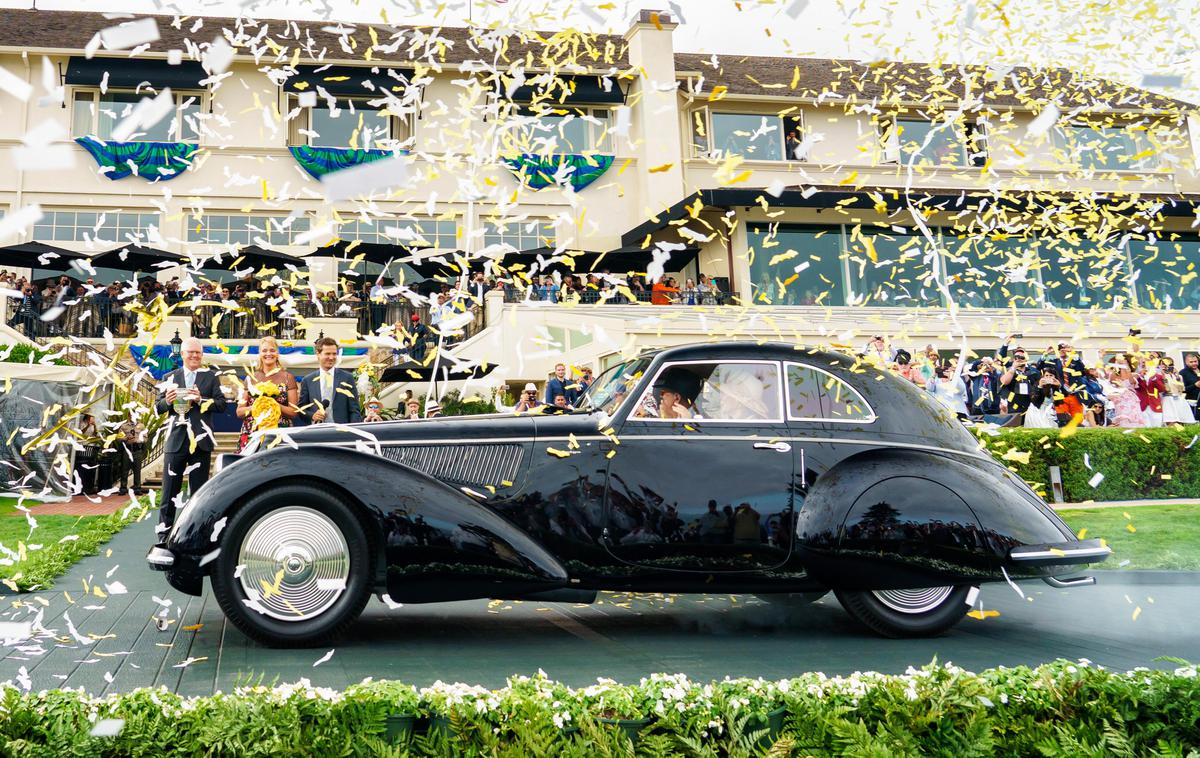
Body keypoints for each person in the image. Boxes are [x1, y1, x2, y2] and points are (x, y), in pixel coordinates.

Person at [152, 337, 228, 546]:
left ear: (201, 356)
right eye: (190, 352)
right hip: (176, 441)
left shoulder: (210, 377)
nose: (194, 356)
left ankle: (195, 537)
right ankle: (163, 537)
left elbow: (221, 405)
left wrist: (200, 400)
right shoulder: (169, 377)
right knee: (169, 493)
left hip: (201, 442)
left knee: (198, 494)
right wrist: (167, 401)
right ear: (182, 354)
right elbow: (157, 407)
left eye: (198, 353)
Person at [235, 336, 299, 452]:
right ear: (259, 354)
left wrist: (273, 405)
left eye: (272, 350)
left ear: (277, 353)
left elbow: (293, 412)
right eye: (264, 351)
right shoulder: (250, 378)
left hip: (279, 433)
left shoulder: (288, 378)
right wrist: (258, 405)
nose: (268, 354)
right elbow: (239, 412)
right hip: (252, 433)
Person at [298, 337, 363, 425]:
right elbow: (301, 409)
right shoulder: (308, 380)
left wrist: (352, 432)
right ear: (318, 354)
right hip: (315, 432)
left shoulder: (347, 378)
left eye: (334, 354)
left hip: (342, 432)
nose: (331, 357)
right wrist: (312, 415)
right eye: (327, 354)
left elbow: (354, 410)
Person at [117, 417, 147, 494]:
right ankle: (123, 489)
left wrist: (137, 440)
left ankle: (137, 489)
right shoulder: (124, 426)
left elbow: (145, 438)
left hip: (137, 450)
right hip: (127, 450)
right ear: (129, 415)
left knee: (137, 470)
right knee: (124, 470)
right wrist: (126, 438)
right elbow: (119, 438)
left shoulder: (141, 426)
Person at [1160, 357, 1193, 425]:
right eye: (1163, 364)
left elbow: (1182, 389)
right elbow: (1166, 389)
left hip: (1179, 399)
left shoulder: (1178, 376)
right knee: (1171, 421)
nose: (1166, 366)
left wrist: (1177, 377)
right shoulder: (1160, 376)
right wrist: (1164, 378)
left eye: (1169, 364)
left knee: (1181, 421)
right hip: (1168, 400)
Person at [1181, 353, 1200, 422]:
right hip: (1192, 403)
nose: (1194, 363)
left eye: (1195, 361)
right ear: (1186, 362)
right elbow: (1182, 390)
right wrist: (1195, 385)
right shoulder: (1183, 373)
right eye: (1191, 362)